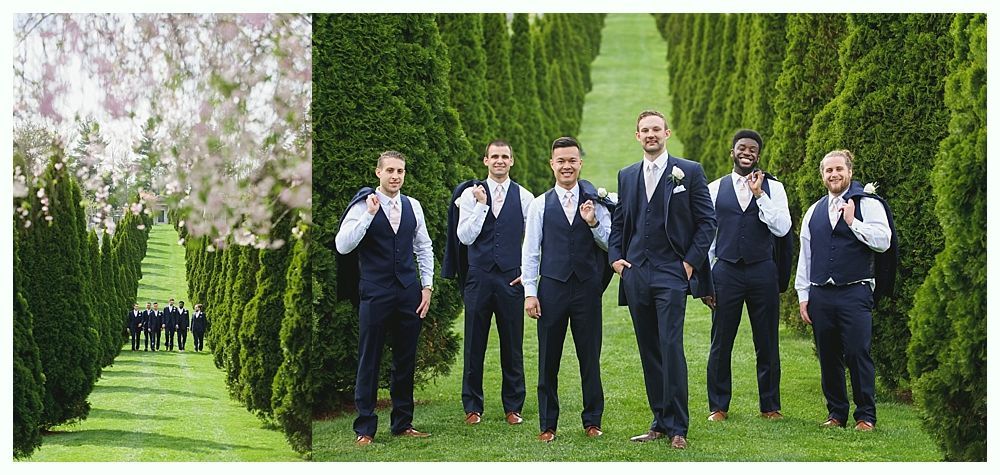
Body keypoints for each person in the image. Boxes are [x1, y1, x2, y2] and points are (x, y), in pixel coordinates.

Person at [608, 110, 716, 449]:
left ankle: (678, 427)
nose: (651, 134)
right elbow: (620, 220)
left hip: (672, 272)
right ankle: (659, 421)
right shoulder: (627, 175)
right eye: (645, 130)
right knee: (649, 349)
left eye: (656, 129)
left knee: (670, 346)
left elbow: (707, 222)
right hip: (636, 272)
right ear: (637, 136)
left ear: (666, 133)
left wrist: (689, 264)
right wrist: (615, 259)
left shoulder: (689, 171)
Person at [336, 150, 435, 447]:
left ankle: (403, 423)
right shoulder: (362, 205)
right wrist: (368, 215)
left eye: (400, 171)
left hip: (408, 291)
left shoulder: (413, 206)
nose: (395, 176)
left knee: (405, 360)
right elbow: (343, 245)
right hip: (375, 291)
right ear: (378, 172)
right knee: (370, 359)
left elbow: (424, 247)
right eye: (390, 170)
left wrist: (427, 287)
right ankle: (365, 428)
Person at [795, 149, 892, 432]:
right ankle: (836, 413)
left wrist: (853, 223)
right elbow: (806, 255)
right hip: (821, 293)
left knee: (858, 353)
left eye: (839, 169)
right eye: (829, 170)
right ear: (822, 175)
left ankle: (866, 416)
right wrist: (803, 295)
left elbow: (883, 241)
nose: (834, 174)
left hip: (855, 290)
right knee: (828, 355)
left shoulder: (868, 204)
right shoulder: (813, 211)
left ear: (849, 171)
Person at [522, 136, 611, 442]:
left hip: (587, 289)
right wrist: (530, 292)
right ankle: (548, 425)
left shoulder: (595, 202)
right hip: (552, 290)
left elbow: (610, 243)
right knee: (548, 359)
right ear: (552, 164)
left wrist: (592, 223)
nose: (566, 166)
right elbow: (530, 251)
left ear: (580, 163)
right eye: (561, 161)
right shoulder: (539, 204)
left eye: (572, 160)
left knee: (590, 357)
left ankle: (592, 421)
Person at [703, 129, 792, 422]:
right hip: (726, 270)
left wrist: (759, 195)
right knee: (721, 341)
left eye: (753, 149)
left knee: (767, 341)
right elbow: (708, 236)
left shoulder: (774, 188)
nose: (747, 152)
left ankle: (770, 406)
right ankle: (718, 406)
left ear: (758, 155)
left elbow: (782, 228)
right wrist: (707, 278)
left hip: (762, 269)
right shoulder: (715, 188)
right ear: (732, 152)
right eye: (742, 147)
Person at [447, 140, 534, 426]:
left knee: (513, 344)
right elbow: (464, 237)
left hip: (511, 278)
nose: (499, 160)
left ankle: (513, 406)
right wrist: (482, 207)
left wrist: (528, 272)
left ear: (512, 161)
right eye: (494, 156)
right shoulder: (470, 195)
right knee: (474, 343)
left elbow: (534, 239)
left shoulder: (524, 196)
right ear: (485, 160)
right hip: (479, 277)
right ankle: (473, 406)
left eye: (504, 156)